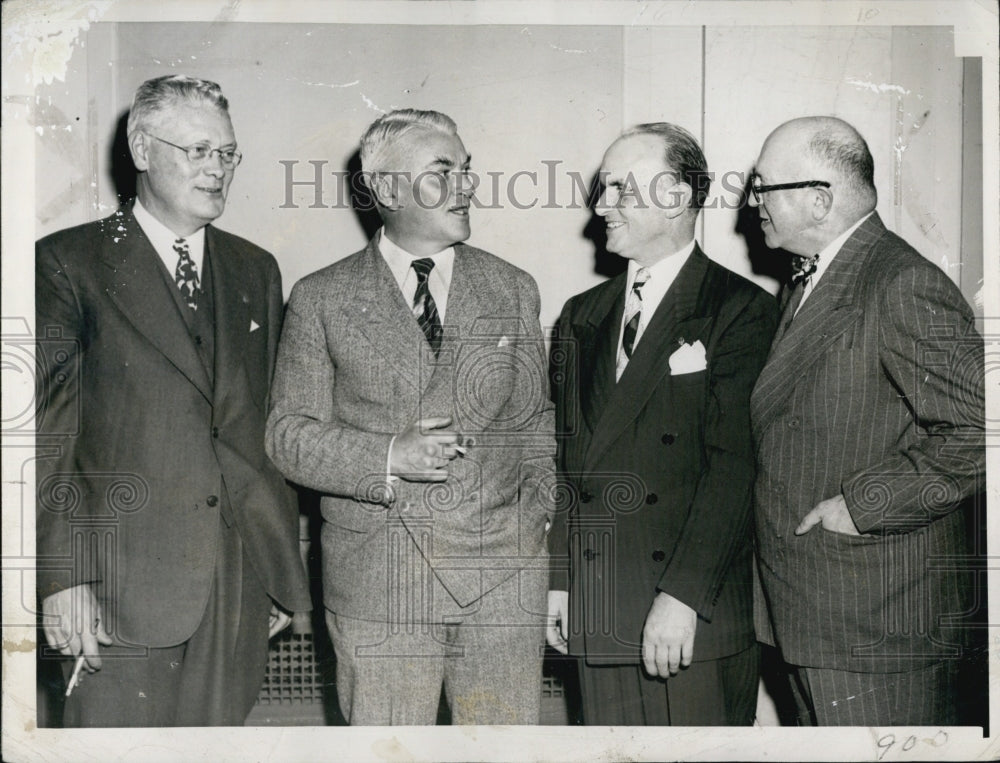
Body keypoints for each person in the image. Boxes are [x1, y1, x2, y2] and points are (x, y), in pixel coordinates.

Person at [35, 74, 310, 727]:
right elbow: (46, 439)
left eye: (227, 154)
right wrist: (60, 577)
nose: (217, 169)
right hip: (116, 588)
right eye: (197, 151)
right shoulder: (68, 263)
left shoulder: (256, 269)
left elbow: (258, 429)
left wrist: (277, 566)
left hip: (236, 584)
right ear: (141, 148)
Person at [265, 109, 555, 725]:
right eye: (443, 170)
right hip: (380, 578)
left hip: (502, 576)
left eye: (468, 169)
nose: (468, 184)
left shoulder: (513, 288)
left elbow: (538, 430)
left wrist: (532, 531)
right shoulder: (321, 297)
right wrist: (387, 455)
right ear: (387, 189)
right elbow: (287, 435)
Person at [748, 116, 985, 726]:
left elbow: (981, 433)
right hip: (816, 611)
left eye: (763, 187)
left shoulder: (902, 282)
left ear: (818, 198)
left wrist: (862, 505)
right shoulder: (809, 282)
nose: (753, 203)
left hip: (877, 623)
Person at [546, 123, 778, 725]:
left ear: (676, 198)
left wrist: (681, 597)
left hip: (687, 618)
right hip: (599, 606)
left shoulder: (741, 310)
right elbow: (567, 462)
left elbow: (734, 470)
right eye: (603, 189)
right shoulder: (581, 315)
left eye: (620, 189)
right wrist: (562, 580)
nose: (601, 207)